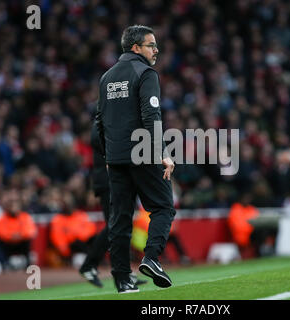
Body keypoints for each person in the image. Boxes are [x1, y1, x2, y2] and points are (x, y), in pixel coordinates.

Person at [95, 25, 176, 293]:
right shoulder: (145, 72)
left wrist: (108, 155)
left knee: (119, 218)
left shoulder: (106, 78)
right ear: (136, 48)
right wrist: (163, 152)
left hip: (116, 158)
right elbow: (151, 116)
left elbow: (100, 121)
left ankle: (122, 280)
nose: (156, 50)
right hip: (142, 152)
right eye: (151, 45)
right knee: (163, 207)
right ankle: (151, 258)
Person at [78, 123, 147, 288]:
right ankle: (92, 265)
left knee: (120, 224)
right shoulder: (103, 123)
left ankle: (123, 270)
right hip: (110, 182)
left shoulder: (107, 120)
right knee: (116, 225)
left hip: (115, 181)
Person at [0, 189, 37, 269]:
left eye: (16, 206)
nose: (14, 208)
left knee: (27, 242)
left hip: (21, 243)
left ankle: (28, 264)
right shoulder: (2, 218)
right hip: (8, 244)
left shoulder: (25, 216)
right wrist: (11, 236)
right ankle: (4, 264)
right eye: (12, 206)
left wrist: (20, 235)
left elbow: (30, 231)